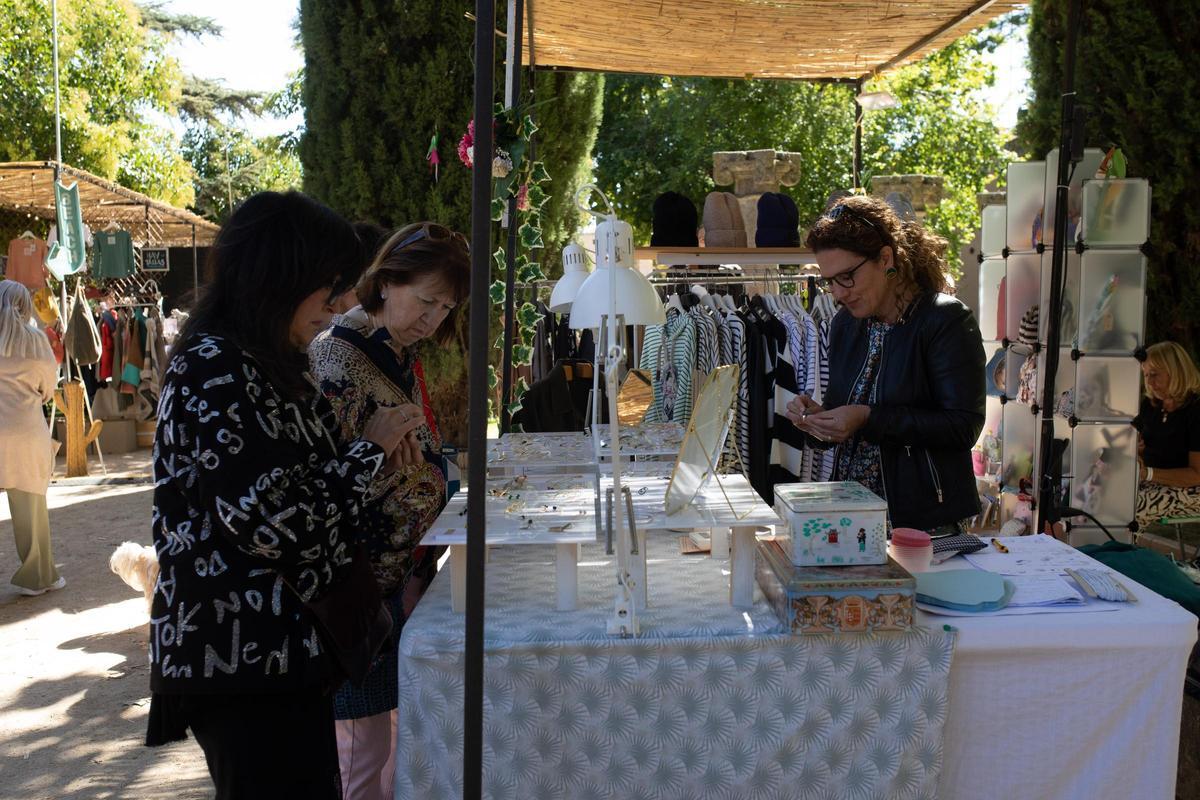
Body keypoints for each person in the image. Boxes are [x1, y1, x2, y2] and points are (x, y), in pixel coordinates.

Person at [144, 191, 423, 799]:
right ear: (281, 275)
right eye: (326, 284)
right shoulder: (216, 367)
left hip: (277, 659)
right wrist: (369, 450)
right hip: (242, 661)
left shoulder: (262, 360)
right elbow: (277, 519)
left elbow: (305, 480)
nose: (335, 302)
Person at [308, 221, 469, 800]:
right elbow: (321, 488)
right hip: (358, 593)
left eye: (445, 308)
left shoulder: (395, 353)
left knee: (391, 744)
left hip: (402, 581)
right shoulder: (334, 358)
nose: (433, 319)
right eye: (426, 300)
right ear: (386, 281)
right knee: (360, 753)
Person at [784, 195, 985, 534]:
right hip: (853, 521)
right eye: (829, 281)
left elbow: (963, 427)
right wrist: (819, 421)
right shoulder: (845, 325)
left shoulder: (943, 320)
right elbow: (844, 414)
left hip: (924, 525)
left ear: (885, 258)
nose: (838, 293)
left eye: (847, 276)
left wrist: (868, 418)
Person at [0, 280, 64, 597]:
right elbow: (48, 386)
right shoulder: (35, 340)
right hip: (26, 432)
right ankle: (37, 576)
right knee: (31, 506)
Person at [1134, 341, 1200, 529]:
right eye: (1145, 375)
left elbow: (1197, 475)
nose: (1149, 382)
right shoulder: (1151, 405)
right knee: (1099, 496)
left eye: (1154, 374)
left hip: (1192, 490)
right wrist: (1136, 451)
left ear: (1176, 371)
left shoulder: (1195, 410)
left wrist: (1148, 473)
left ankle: (1121, 557)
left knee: (1130, 509)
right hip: (1155, 483)